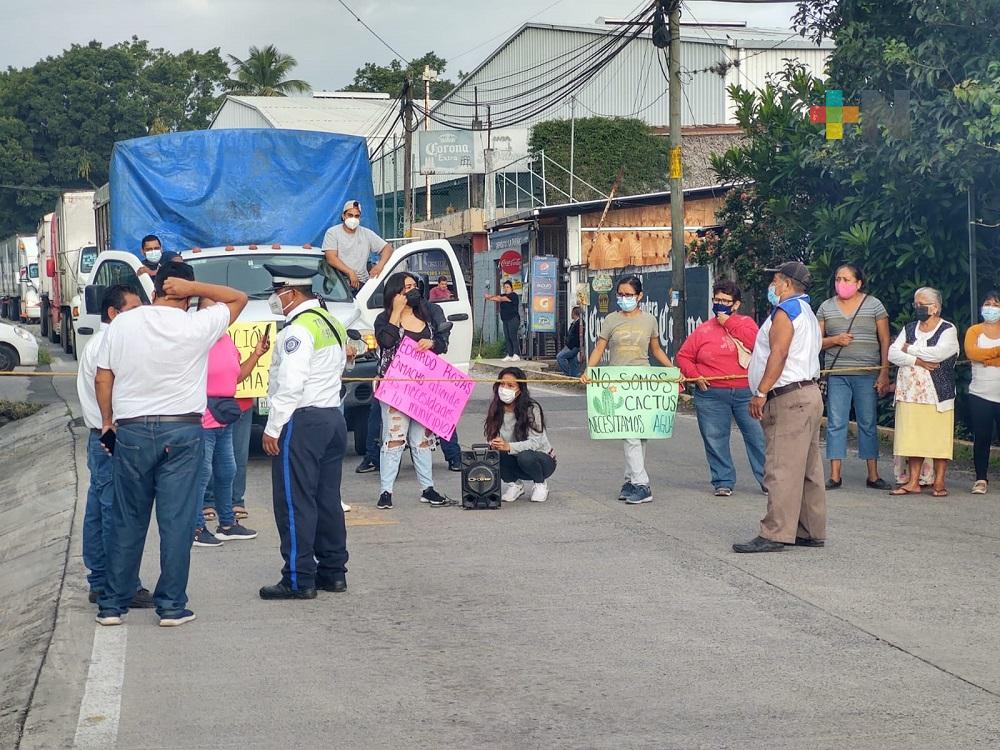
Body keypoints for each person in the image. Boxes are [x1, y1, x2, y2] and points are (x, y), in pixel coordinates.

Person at [94, 263, 247, 626]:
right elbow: (239, 298)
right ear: (187, 293)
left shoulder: (124, 323)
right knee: (177, 522)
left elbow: (103, 377)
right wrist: (195, 288)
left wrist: (107, 422)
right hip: (182, 432)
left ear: (154, 291)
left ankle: (112, 605)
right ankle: (172, 606)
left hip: (131, 430)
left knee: (128, 520)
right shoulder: (197, 325)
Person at [259, 265, 355, 600]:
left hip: (302, 421)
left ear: (291, 292)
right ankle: (333, 571)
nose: (274, 298)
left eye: (277, 292)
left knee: (294, 501)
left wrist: (273, 427)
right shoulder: (330, 322)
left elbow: (291, 383)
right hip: (331, 417)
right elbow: (343, 365)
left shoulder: (297, 330)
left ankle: (298, 578)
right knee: (327, 500)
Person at [733, 261, 825, 554]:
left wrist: (761, 391)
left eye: (774, 281)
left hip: (787, 396)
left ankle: (775, 532)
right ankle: (809, 529)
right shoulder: (807, 311)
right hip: (808, 393)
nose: (771, 286)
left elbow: (779, 352)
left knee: (781, 466)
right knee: (808, 466)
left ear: (786, 284)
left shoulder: (785, 312)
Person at [78, 285, 153, 609]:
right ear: (113, 313)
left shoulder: (100, 342)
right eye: (133, 309)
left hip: (101, 435)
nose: (139, 316)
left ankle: (100, 580)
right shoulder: (110, 344)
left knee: (99, 510)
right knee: (116, 513)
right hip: (112, 435)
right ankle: (121, 585)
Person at [580, 275, 674, 505]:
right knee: (629, 432)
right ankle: (638, 482)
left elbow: (656, 349)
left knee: (640, 434)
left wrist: (672, 370)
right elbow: (599, 348)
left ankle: (635, 482)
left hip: (643, 382)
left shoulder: (650, 320)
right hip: (617, 383)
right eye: (620, 294)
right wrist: (589, 371)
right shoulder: (611, 320)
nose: (624, 298)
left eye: (629, 295)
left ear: (639, 296)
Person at [676, 279, 766, 496]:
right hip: (712, 393)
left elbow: (757, 345)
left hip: (745, 392)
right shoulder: (703, 330)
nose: (720, 304)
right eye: (717, 300)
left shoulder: (746, 323)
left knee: (757, 437)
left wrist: (729, 323)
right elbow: (684, 356)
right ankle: (723, 481)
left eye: (726, 301)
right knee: (715, 438)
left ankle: (768, 480)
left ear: (736, 304)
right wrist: (695, 376)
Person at [373, 272, 452, 510]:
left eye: (414, 286)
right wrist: (396, 312)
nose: (412, 291)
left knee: (422, 440)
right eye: (406, 287)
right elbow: (386, 342)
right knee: (394, 438)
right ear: (395, 292)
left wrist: (433, 343)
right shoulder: (384, 318)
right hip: (395, 388)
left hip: (423, 388)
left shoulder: (427, 314)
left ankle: (427, 488)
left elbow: (443, 343)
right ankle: (386, 491)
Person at [191, 313, 268, 548]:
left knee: (227, 471)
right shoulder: (197, 341)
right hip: (203, 418)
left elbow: (237, 376)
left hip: (224, 418)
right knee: (202, 474)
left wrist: (256, 354)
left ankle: (227, 523)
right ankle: (196, 528)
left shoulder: (226, 340)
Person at [817, 264, 892, 490]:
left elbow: (885, 340)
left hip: (867, 374)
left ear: (858, 283)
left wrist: (884, 372)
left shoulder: (874, 305)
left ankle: (873, 475)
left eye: (847, 279)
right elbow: (815, 342)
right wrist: (835, 340)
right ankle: (835, 475)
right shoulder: (826, 307)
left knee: (867, 422)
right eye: (838, 279)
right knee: (836, 423)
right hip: (837, 374)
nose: (841, 283)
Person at [888, 287, 959, 497]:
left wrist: (908, 349)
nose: (917, 307)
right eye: (915, 304)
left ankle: (939, 482)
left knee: (939, 439)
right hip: (909, 393)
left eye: (922, 304)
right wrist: (917, 361)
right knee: (913, 438)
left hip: (937, 394)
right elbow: (892, 353)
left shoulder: (948, 329)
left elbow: (939, 354)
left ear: (935, 308)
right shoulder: (909, 328)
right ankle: (913, 482)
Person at [485, 367, 556, 502]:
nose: (504, 389)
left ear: (520, 390)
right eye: (502, 384)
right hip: (513, 458)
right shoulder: (495, 408)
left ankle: (540, 484)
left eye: (510, 385)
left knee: (525, 456)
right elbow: (492, 435)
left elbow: (536, 442)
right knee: (493, 454)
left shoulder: (532, 408)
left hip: (541, 460)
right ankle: (515, 485)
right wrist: (495, 443)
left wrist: (508, 446)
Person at [965, 290, 1000, 494]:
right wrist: (996, 353)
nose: (991, 308)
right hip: (980, 393)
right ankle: (981, 478)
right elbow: (972, 353)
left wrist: (986, 359)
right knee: (982, 437)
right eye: (988, 304)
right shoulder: (974, 331)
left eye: (995, 305)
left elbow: (980, 356)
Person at [321, 199, 392, 290]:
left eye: (356, 216)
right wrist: (350, 272)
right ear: (343, 216)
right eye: (350, 215)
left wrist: (379, 266)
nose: (353, 219)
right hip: (339, 283)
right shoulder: (333, 233)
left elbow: (387, 248)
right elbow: (331, 258)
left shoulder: (366, 233)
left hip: (362, 283)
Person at [486, 281, 521, 361]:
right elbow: (497, 298)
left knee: (512, 336)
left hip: (513, 319)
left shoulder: (513, 295)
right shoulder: (503, 295)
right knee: (507, 337)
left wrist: (491, 296)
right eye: (504, 287)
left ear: (511, 288)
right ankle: (510, 354)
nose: (506, 289)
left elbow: (502, 298)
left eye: (507, 287)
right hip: (505, 319)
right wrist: (488, 298)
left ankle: (516, 354)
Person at [556, 306, 583, 377]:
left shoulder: (579, 323)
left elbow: (577, 337)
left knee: (560, 357)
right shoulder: (574, 323)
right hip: (571, 346)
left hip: (572, 346)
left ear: (574, 313)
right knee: (572, 361)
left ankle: (567, 373)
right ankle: (574, 375)